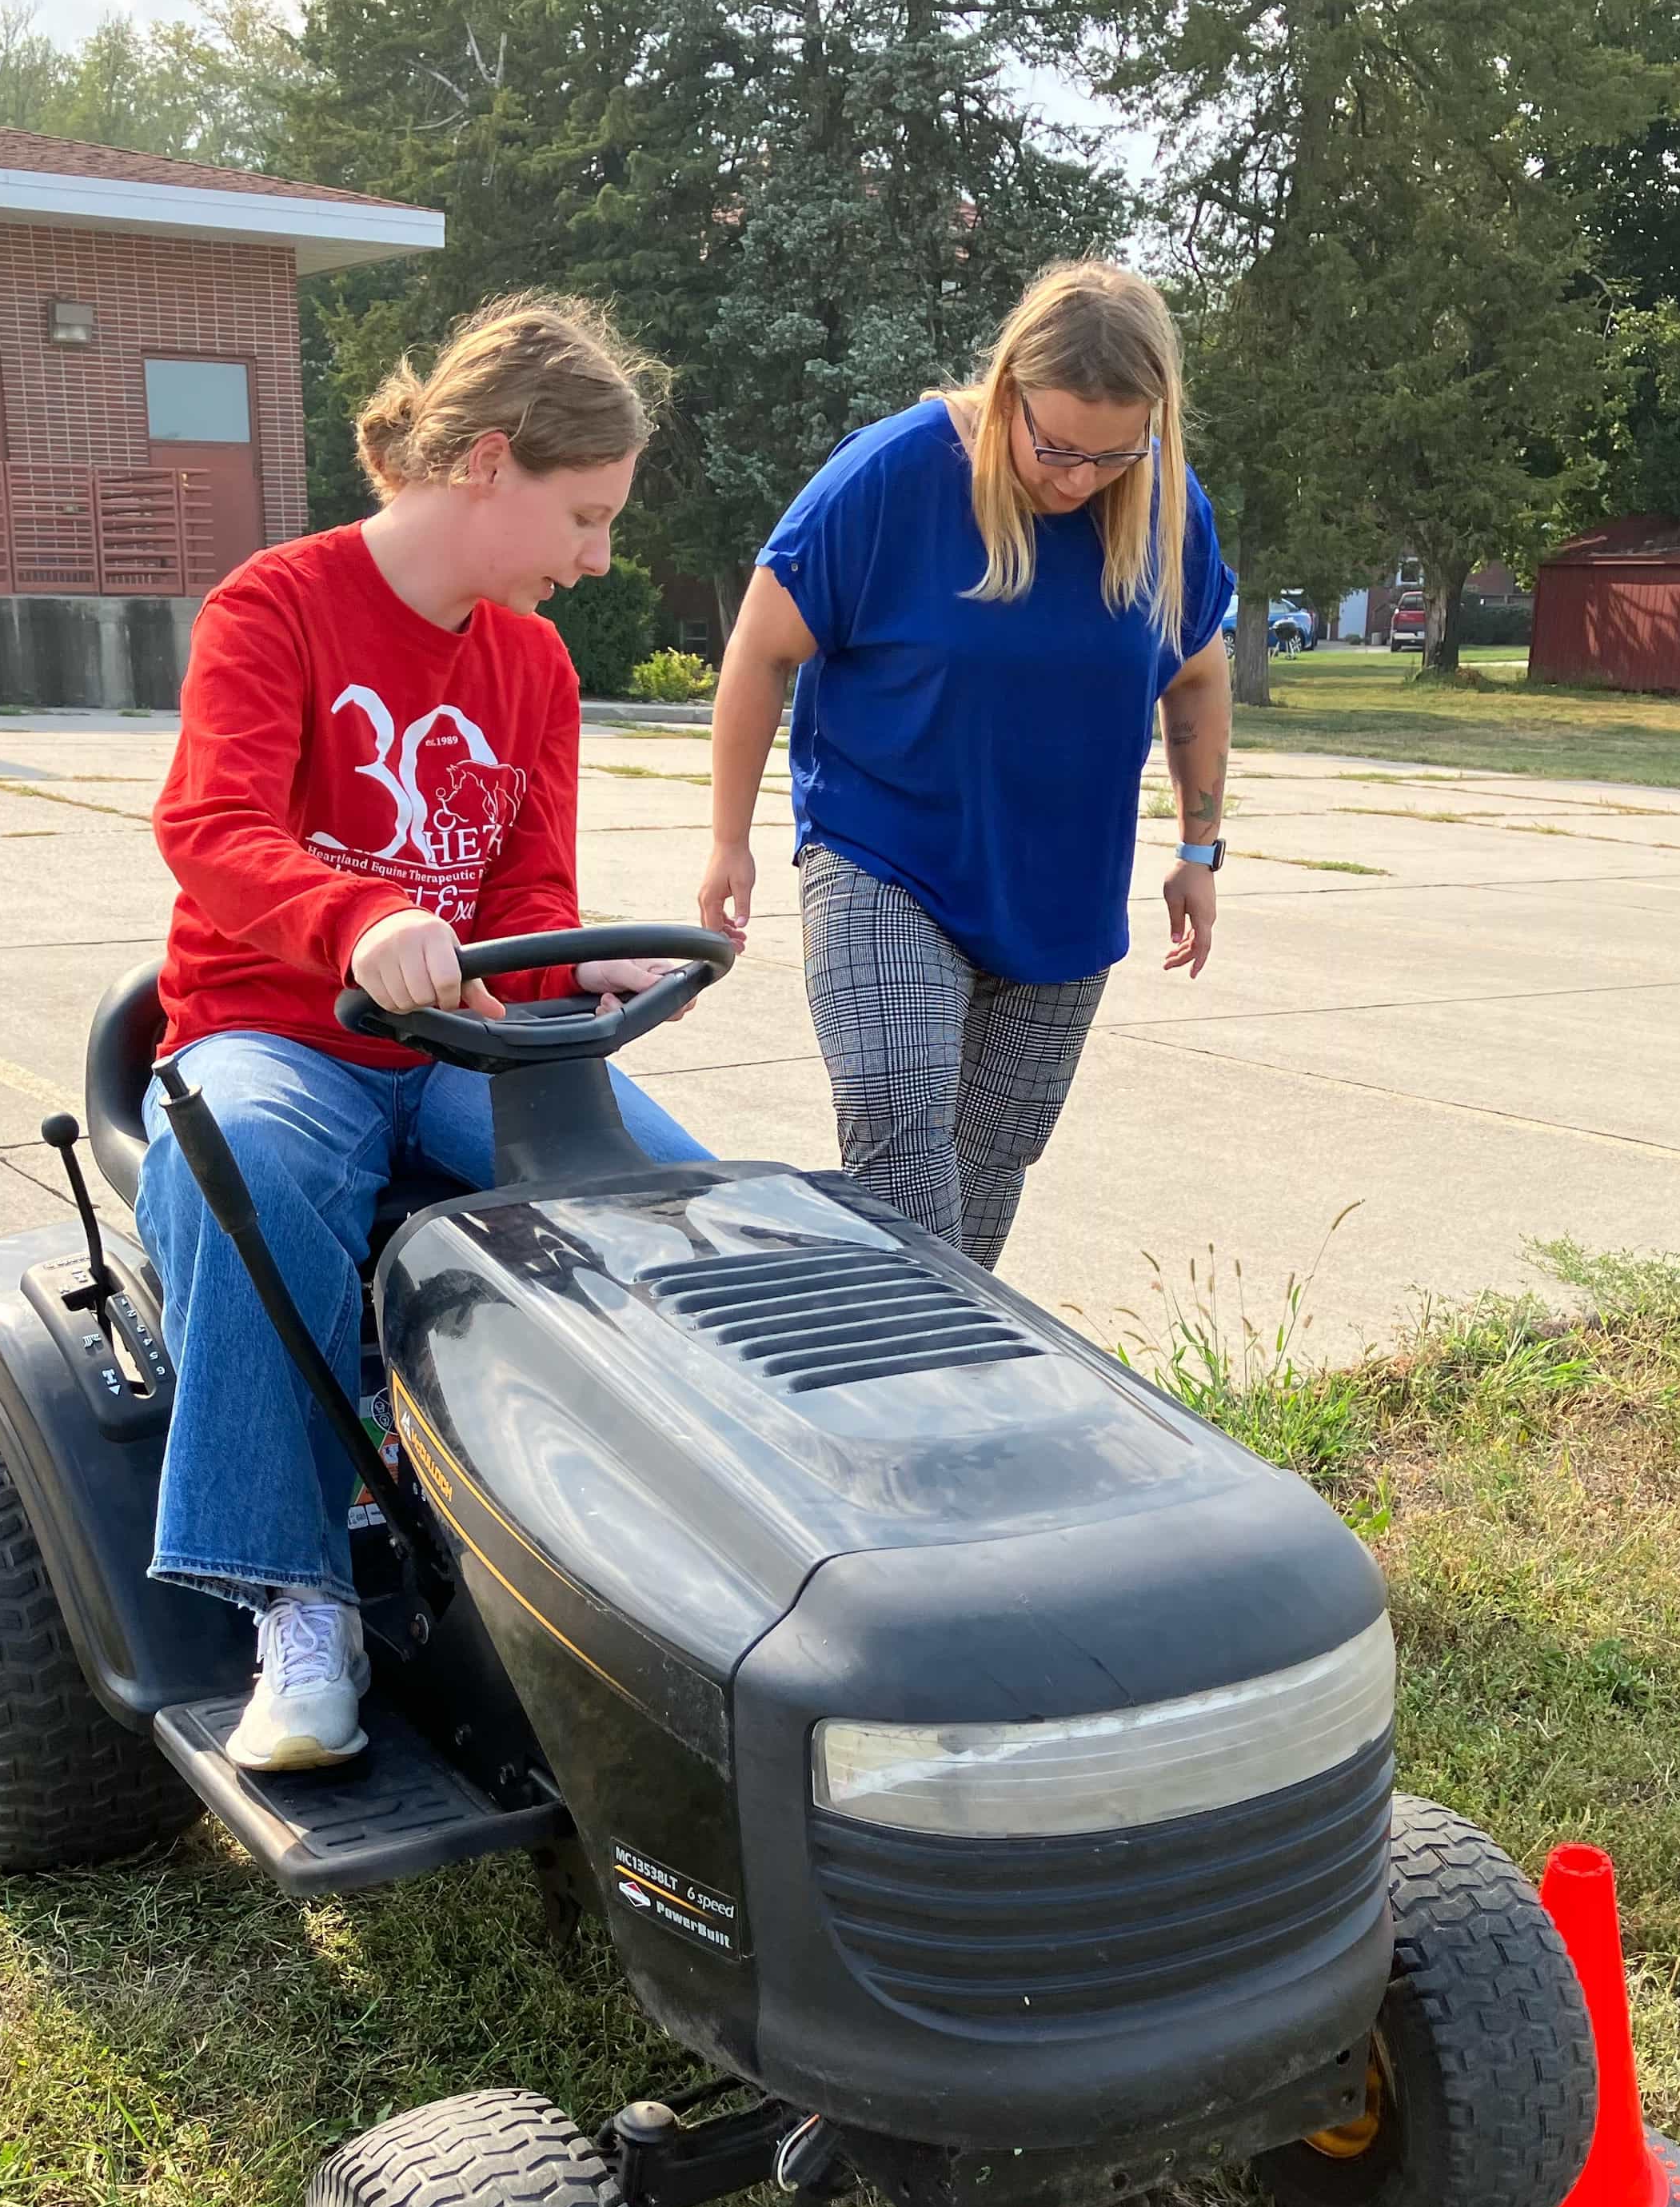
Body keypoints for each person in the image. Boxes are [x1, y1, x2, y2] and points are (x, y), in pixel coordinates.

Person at [141, 295, 705, 1772]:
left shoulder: (530, 669)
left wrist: (574, 977)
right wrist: (353, 918)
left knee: (673, 1204)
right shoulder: (278, 606)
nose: (594, 558)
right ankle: (297, 1601)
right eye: (581, 519)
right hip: (277, 1030)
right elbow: (208, 829)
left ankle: (669, 1570)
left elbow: (525, 892)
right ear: (488, 463)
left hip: (457, 1044)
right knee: (254, 1166)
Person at [696, 260, 1234, 1266]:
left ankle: (925, 1387)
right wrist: (731, 839)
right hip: (886, 857)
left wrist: (1199, 851)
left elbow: (1198, 680)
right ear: (1007, 391)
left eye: (1114, 456)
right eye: (1058, 447)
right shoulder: (892, 475)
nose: (1079, 480)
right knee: (899, 1131)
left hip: (1060, 893)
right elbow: (762, 650)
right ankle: (897, 1389)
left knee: (990, 1167)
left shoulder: (1164, 507)